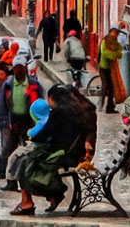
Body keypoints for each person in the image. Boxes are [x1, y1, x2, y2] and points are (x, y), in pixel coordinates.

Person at [12, 85, 86, 216]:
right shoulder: (75, 111)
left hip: (60, 156)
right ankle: (51, 196)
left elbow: (44, 134)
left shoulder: (58, 112)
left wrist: (32, 137)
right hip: (71, 153)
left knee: (22, 160)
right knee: (25, 159)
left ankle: (28, 201)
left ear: (52, 98)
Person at [0, 53, 45, 189]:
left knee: (28, 150)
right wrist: (6, 121)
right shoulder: (8, 85)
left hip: (29, 121)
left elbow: (41, 103)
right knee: (9, 151)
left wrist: (38, 122)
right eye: (16, 67)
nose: (18, 70)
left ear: (25, 67)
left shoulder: (34, 84)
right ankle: (11, 181)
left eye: (20, 67)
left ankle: (28, 180)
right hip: (13, 121)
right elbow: (2, 104)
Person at [0, 98, 50, 192]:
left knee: (14, 157)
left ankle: (11, 181)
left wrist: (29, 131)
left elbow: (32, 133)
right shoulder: (49, 120)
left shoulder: (41, 123)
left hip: (37, 148)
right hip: (43, 147)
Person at [98, 27, 124, 114]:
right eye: (113, 33)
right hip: (103, 67)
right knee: (105, 86)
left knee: (112, 88)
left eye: (116, 33)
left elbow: (120, 54)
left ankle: (110, 107)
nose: (115, 35)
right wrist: (113, 55)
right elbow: (104, 52)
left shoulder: (116, 44)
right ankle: (101, 104)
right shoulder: (104, 42)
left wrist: (115, 54)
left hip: (113, 69)